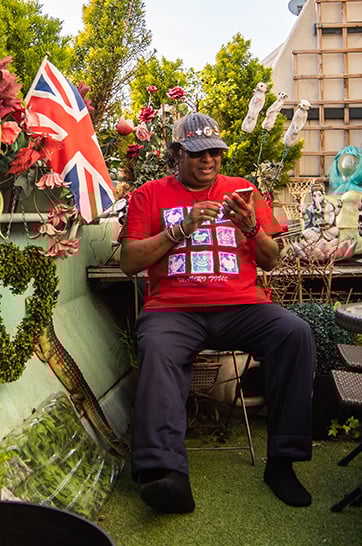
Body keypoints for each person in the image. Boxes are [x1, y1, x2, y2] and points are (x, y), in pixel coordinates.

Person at [120, 112, 316, 512]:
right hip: (174, 310)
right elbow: (128, 262)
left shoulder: (245, 191)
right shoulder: (149, 195)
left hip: (241, 306)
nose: (208, 160)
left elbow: (272, 261)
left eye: (214, 152)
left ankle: (282, 462)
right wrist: (182, 228)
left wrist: (250, 227)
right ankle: (166, 474)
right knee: (157, 348)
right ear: (176, 155)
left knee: (295, 333)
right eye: (197, 153)